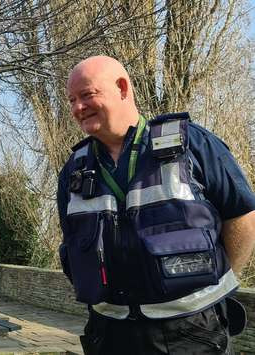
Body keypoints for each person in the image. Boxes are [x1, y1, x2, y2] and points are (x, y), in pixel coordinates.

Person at [58, 55, 255, 354]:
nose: (77, 108)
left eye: (87, 95)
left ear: (123, 88)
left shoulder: (192, 144)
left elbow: (241, 216)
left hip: (191, 332)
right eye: (72, 100)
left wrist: (222, 278)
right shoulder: (74, 168)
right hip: (109, 332)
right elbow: (70, 242)